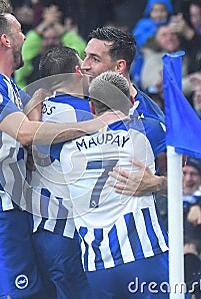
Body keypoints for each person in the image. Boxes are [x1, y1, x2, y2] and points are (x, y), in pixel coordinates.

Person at [0, 0, 122, 298]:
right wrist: (91, 126)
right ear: (6, 40)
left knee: (36, 292)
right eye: (20, 31)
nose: (25, 37)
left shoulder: (6, 83)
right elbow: (24, 132)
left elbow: (35, 100)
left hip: (13, 205)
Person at [58, 71, 169, 297]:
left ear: (91, 108)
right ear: (129, 102)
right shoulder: (149, 130)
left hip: (97, 266)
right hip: (145, 254)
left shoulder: (63, 145)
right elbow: (182, 177)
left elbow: (30, 139)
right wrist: (158, 183)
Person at [28, 46, 92, 298]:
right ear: (77, 72)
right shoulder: (86, 114)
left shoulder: (33, 109)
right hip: (69, 232)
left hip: (41, 229)